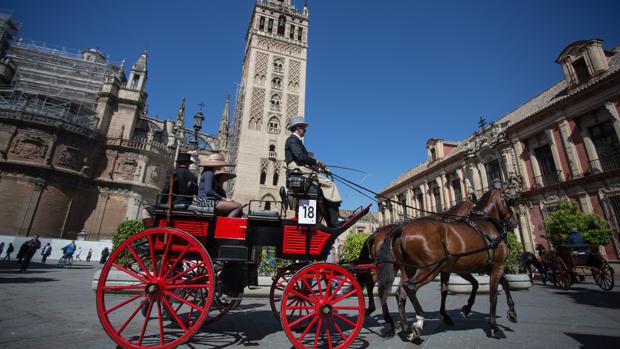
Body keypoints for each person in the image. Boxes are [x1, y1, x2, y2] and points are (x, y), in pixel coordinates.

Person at [284, 115, 344, 227]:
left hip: (300, 168)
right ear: (298, 128)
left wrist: (320, 170)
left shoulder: (295, 141)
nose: (305, 130)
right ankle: (334, 219)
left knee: (323, 185)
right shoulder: (292, 140)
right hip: (297, 169)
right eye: (303, 127)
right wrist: (317, 162)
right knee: (330, 185)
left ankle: (331, 217)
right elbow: (301, 157)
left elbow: (304, 162)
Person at [197, 153, 243, 217]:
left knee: (234, 205)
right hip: (205, 201)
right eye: (221, 164)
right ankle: (225, 225)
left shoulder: (208, 173)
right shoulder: (209, 173)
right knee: (238, 206)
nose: (222, 166)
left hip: (206, 200)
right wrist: (224, 199)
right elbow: (208, 191)